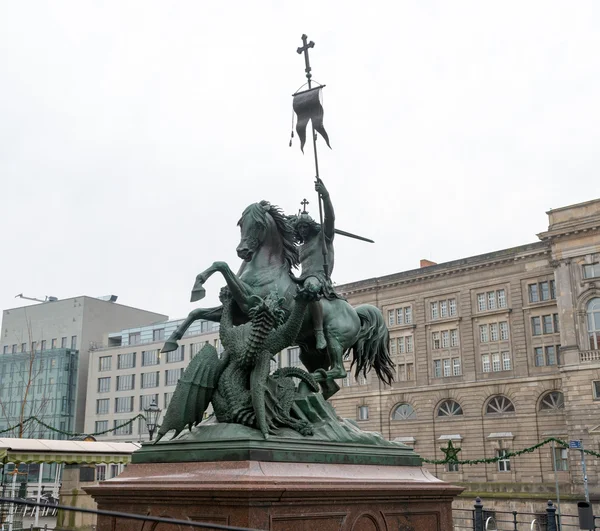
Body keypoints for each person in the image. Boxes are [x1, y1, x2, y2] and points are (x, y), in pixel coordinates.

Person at [292, 178, 339, 350]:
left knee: (310, 287)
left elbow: (330, 217)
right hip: (301, 279)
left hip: (318, 277)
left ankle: (319, 332)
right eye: (300, 228)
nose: (302, 231)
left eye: (305, 227)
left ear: (310, 227)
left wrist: (325, 197)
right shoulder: (300, 248)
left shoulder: (323, 238)